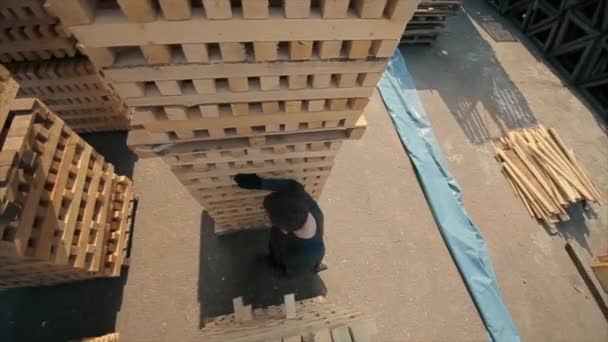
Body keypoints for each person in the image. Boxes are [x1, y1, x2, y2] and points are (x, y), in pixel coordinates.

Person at [234, 173, 327, 277]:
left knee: (279, 263)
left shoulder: (301, 257)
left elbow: (293, 272)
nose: (266, 215)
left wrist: (280, 273)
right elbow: (292, 186)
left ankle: (273, 263)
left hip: (291, 262)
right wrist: (260, 183)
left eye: (268, 215)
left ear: (284, 230)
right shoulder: (306, 204)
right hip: (290, 252)